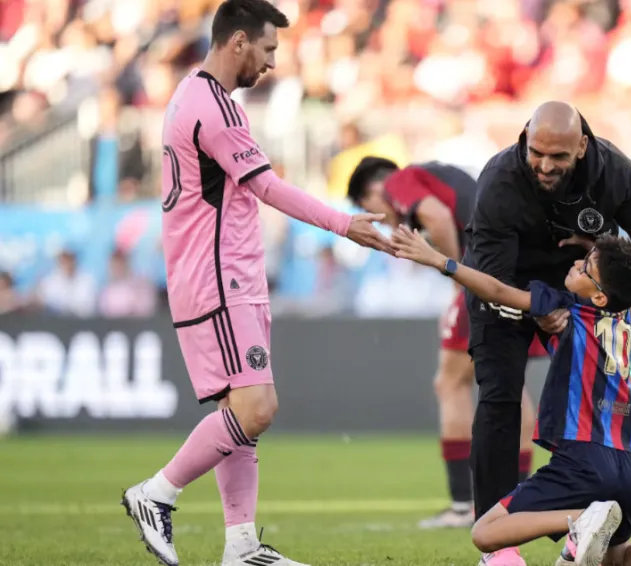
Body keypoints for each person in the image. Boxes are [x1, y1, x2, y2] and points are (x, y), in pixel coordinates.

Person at [119, 2, 392, 565]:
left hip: (225, 275)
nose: (271, 62)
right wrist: (344, 224)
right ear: (238, 41)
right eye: (267, 49)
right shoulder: (210, 106)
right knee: (256, 408)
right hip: (219, 279)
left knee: (239, 413)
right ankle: (156, 493)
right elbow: (267, 188)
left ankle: (241, 547)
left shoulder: (202, 96)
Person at [391, 226, 631, 566]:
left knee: (485, 532)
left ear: (600, 295)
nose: (577, 264)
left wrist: (441, 262)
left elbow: (497, 290)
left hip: (580, 458)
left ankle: (582, 519)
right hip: (625, 466)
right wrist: (628, 281)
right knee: (614, 557)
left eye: (586, 266)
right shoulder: (622, 320)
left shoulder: (568, 307)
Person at [463, 101, 631, 563]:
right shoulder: (499, 181)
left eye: (557, 157)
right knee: (499, 396)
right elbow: (494, 282)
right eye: (535, 151)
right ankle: (500, 552)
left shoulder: (614, 172)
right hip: (509, 290)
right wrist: (538, 313)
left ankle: (593, 510)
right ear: (524, 136)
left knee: (600, 401)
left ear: (583, 147)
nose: (543, 164)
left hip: (582, 288)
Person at [347, 157, 546, 528]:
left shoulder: (400, 182)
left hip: (488, 275)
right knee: (510, 387)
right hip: (518, 273)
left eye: (366, 207)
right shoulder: (438, 175)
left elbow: (437, 216)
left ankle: (462, 505)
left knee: (450, 382)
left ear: (374, 188)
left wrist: (456, 274)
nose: (378, 217)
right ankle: (516, 503)